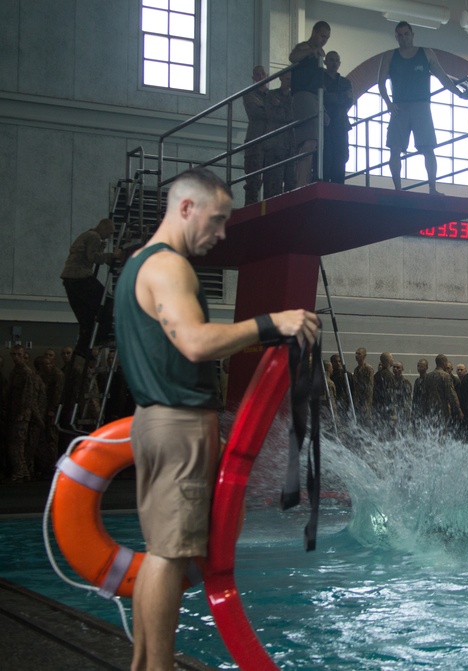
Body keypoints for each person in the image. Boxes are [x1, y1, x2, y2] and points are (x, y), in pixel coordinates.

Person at [113, 167, 319, 671]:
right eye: (218, 219)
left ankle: (146, 663)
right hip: (178, 426)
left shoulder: (137, 265)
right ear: (186, 208)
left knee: (164, 550)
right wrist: (273, 323)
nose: (222, 233)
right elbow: (195, 342)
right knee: (168, 554)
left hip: (157, 422)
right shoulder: (169, 268)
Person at [377, 21, 468, 194]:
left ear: (412, 34)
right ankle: (398, 189)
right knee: (395, 148)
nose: (403, 38)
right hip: (400, 108)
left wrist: (458, 93)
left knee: (428, 148)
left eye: (406, 34)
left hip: (421, 106)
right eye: (400, 35)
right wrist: (388, 103)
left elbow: (442, 76)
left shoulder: (426, 53)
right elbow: (380, 82)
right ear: (396, 37)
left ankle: (432, 188)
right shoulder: (390, 56)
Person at [60, 218, 122, 359]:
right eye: (109, 232)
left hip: (69, 280)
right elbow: (92, 257)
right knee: (107, 302)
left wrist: (101, 250)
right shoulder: (94, 237)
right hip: (81, 277)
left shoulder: (85, 235)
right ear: (104, 228)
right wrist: (111, 256)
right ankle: (102, 337)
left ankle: (82, 350)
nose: (109, 236)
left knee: (86, 319)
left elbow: (86, 254)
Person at [289, 21, 331, 189]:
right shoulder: (304, 48)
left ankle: (303, 181)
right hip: (303, 96)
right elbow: (292, 57)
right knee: (309, 140)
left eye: (327, 38)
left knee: (313, 143)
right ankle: (301, 183)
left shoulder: (321, 53)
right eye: (322, 36)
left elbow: (320, 84)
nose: (324, 40)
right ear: (314, 32)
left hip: (315, 98)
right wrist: (311, 51)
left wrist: (324, 109)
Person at [322, 51, 354, 184]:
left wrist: (329, 95)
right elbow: (320, 99)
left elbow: (349, 101)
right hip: (325, 124)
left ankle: (338, 187)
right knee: (326, 156)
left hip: (341, 124)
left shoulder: (345, 82)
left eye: (336, 60)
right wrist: (340, 97)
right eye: (331, 60)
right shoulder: (320, 79)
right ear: (325, 62)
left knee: (341, 157)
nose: (334, 63)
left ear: (339, 63)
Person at [242, 65, 269, 205]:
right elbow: (256, 112)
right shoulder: (249, 94)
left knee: (272, 179)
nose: (261, 76)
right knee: (253, 180)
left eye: (262, 74)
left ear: (267, 75)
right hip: (255, 140)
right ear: (253, 78)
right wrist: (273, 108)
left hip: (270, 141)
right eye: (257, 74)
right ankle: (250, 209)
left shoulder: (272, 96)